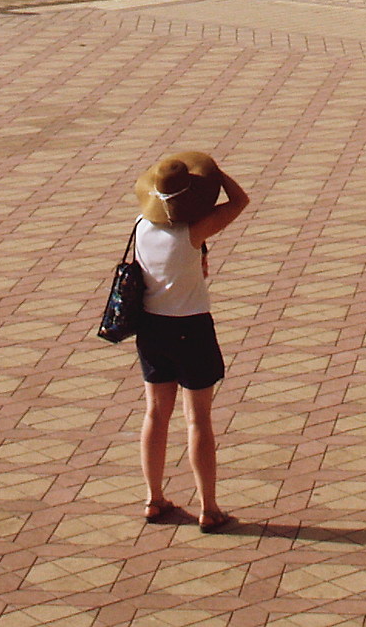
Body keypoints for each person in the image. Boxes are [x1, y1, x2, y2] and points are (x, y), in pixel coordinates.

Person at [129, 150, 249, 532]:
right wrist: (215, 175)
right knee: (198, 419)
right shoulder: (193, 233)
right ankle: (209, 508)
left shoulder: (140, 226)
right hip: (191, 328)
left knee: (155, 413)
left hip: (151, 328)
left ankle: (154, 499)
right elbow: (240, 201)